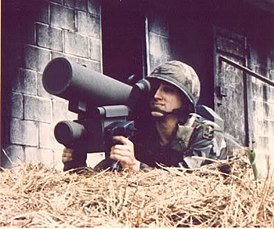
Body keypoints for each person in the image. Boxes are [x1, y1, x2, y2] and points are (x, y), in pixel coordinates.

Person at [62, 60, 226, 172]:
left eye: (167, 90)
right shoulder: (142, 133)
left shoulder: (205, 134)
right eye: (155, 89)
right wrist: (76, 164)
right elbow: (105, 181)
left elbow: (187, 184)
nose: (156, 95)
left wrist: (137, 167)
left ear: (184, 101)